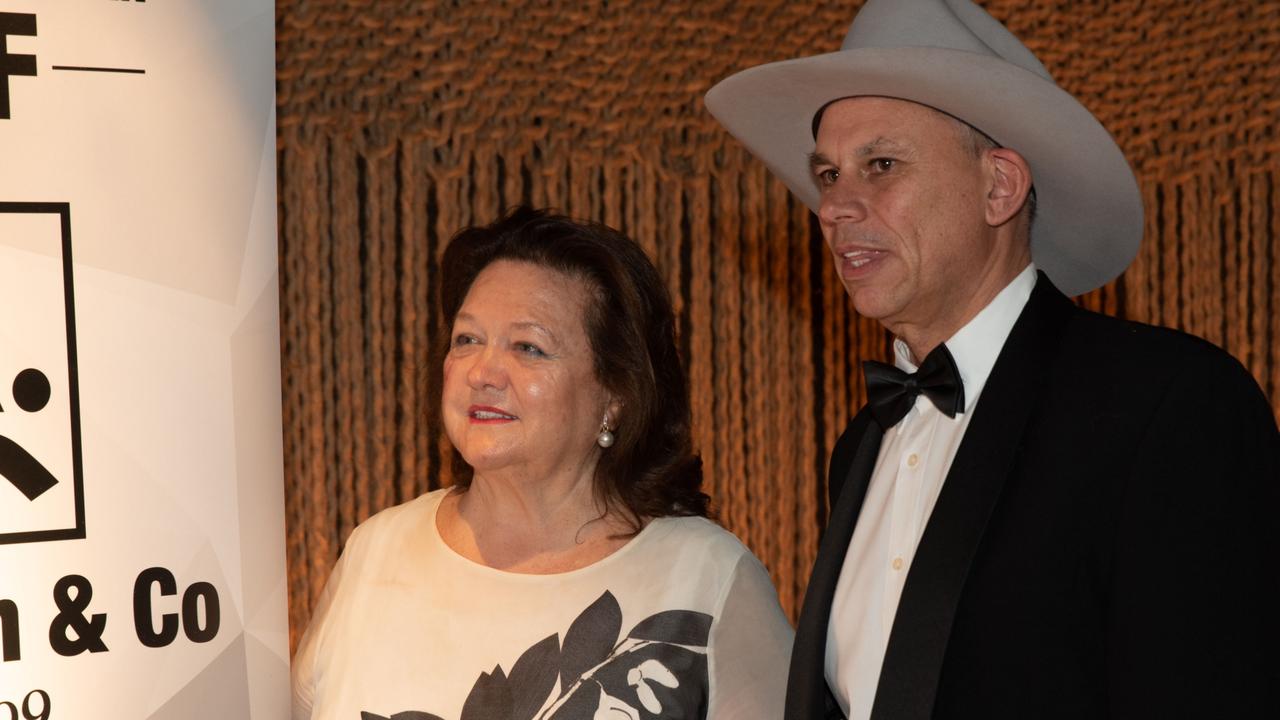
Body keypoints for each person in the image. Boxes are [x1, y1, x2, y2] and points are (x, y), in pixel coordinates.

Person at [704, 1, 1280, 718]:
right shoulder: (862, 444)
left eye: (880, 165)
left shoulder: (1168, 405)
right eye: (827, 175)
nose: (833, 208)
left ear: (999, 187)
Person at [291, 206, 792, 720]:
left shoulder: (705, 577)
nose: (482, 372)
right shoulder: (376, 550)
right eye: (467, 339)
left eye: (528, 347)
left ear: (616, 394)